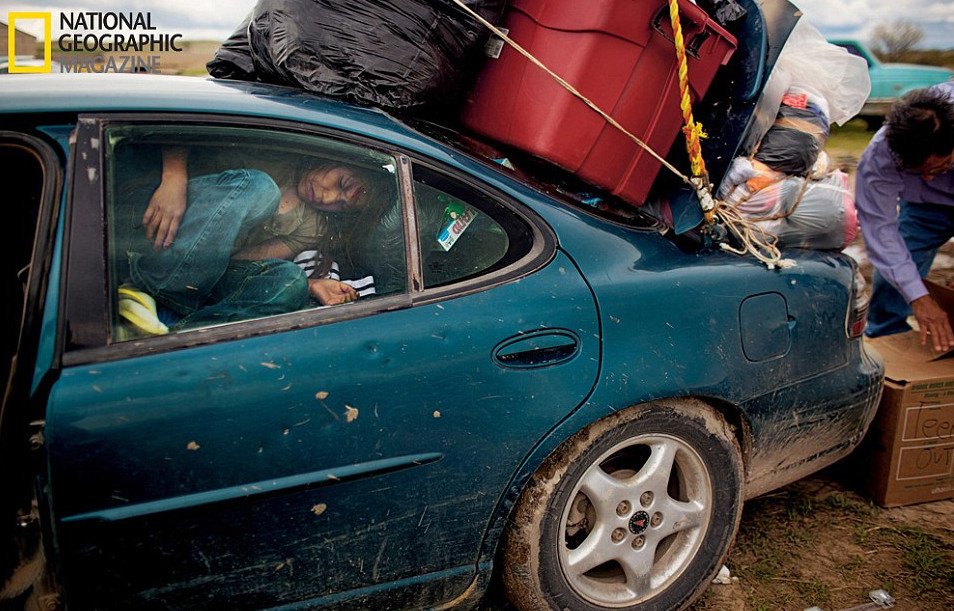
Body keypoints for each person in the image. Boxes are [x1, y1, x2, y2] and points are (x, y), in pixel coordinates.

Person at [118, 147, 384, 334]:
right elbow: (182, 123)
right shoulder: (272, 145)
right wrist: (174, 178)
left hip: (197, 279)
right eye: (340, 183)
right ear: (337, 157)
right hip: (151, 233)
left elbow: (241, 262)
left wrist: (311, 284)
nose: (327, 198)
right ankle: (147, 289)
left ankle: (174, 335)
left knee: (292, 279)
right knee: (260, 188)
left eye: (340, 205)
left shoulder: (312, 224)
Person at [855, 82, 954, 352]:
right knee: (892, 277)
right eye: (917, 171)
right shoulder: (881, 153)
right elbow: (879, 229)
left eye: (939, 167)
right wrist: (919, 298)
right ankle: (890, 344)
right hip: (925, 208)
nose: (929, 177)